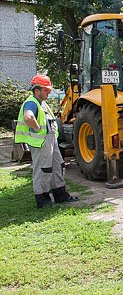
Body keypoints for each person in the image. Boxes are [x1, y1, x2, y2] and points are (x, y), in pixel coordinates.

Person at [14, 75, 79, 208]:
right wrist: (37, 128)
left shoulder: (41, 103)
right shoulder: (31, 102)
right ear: (37, 90)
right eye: (46, 90)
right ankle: (42, 199)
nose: (49, 91)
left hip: (50, 142)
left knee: (57, 166)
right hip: (41, 143)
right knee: (43, 170)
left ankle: (60, 195)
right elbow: (28, 117)